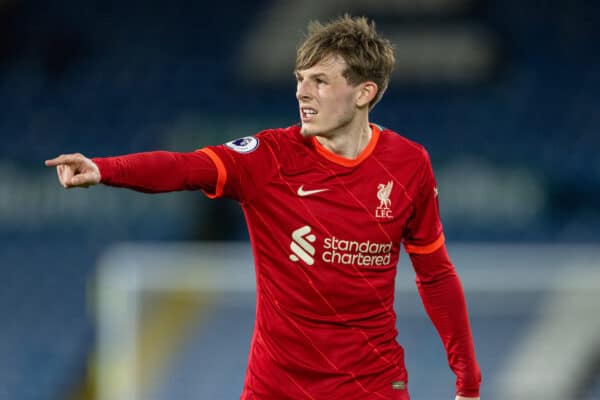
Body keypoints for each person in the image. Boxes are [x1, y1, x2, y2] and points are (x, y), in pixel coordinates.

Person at [46, 15, 481, 400]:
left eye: (320, 81)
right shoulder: (269, 158)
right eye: (299, 79)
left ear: (364, 92)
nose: (301, 93)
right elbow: (185, 167)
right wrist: (104, 168)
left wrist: (467, 382)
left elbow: (436, 274)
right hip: (279, 387)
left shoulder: (408, 165)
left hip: (369, 387)